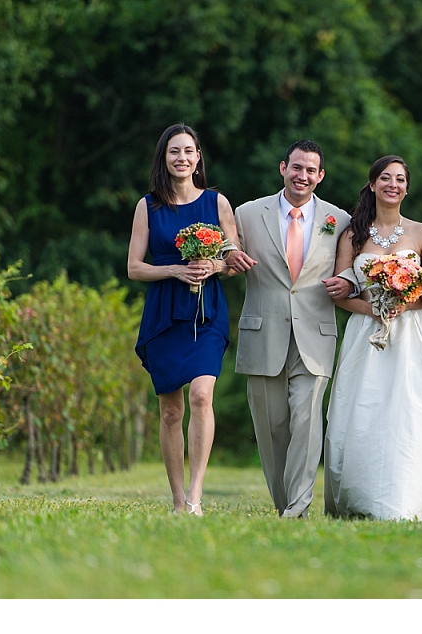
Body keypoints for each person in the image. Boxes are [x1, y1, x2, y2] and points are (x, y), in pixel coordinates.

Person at [128, 123, 256, 515]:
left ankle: (196, 497)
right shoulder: (147, 206)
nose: (181, 158)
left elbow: (234, 262)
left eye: (188, 151)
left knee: (201, 395)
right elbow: (134, 267)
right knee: (171, 410)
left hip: (207, 311)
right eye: (173, 152)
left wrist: (215, 265)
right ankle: (176, 501)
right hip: (165, 312)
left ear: (198, 157)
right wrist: (174, 271)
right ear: (163, 159)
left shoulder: (218, 203)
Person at [324, 156, 422, 521]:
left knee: (410, 413)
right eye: (385, 178)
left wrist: (410, 300)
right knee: (365, 411)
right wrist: (373, 310)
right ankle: (363, 497)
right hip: (366, 333)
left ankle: (410, 499)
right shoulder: (353, 235)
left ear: (407, 188)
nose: (392, 184)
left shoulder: (420, 233)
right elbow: (340, 292)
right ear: (372, 184)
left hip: (412, 334)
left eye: (400, 179)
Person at [233, 140, 353, 519]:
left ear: (321, 176)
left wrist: (348, 281)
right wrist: (225, 255)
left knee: (306, 418)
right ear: (283, 168)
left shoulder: (340, 220)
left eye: (310, 170)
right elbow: (225, 249)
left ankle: (298, 508)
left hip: (314, 336)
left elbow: (352, 266)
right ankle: (285, 504)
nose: (302, 176)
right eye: (296, 167)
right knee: (272, 429)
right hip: (262, 332)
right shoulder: (248, 214)